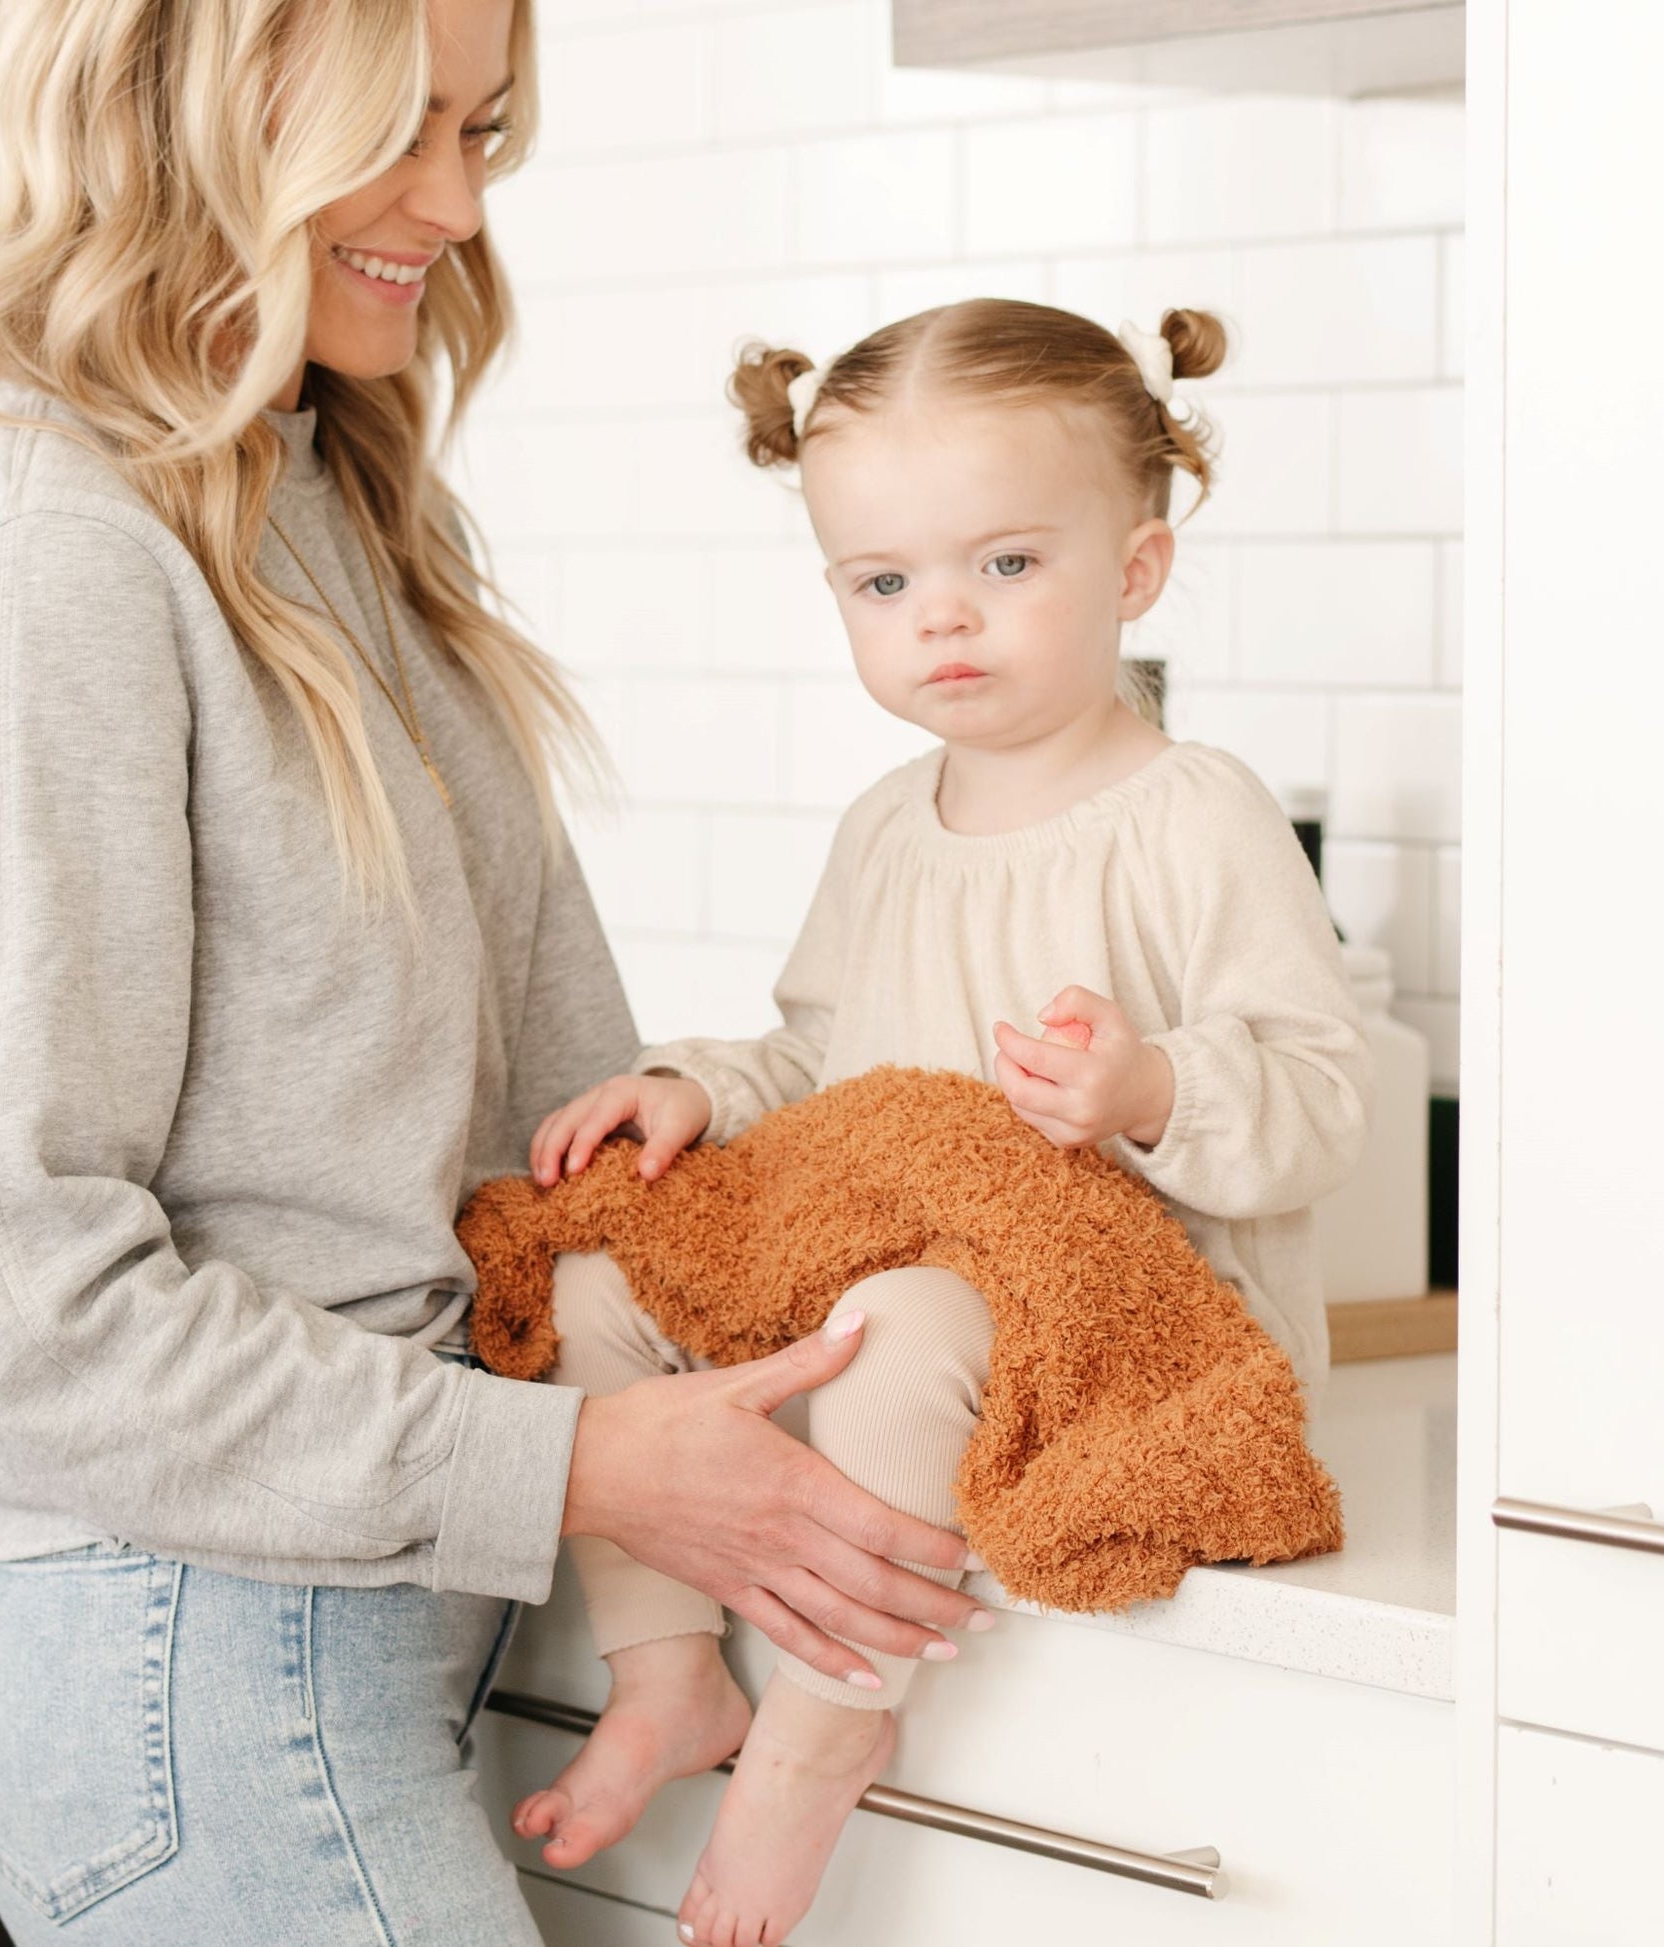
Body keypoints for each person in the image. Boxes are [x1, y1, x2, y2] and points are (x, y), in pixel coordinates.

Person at [0, 2, 988, 1940]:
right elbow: (22, 1316)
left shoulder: (313, 497)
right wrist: (586, 1454)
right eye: (392, 131)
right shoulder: (55, 565)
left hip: (331, 1658)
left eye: (479, 129)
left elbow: (523, 1117)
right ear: (171, 116)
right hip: (211, 1679)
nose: (450, 201)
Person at [511, 298, 1376, 1947]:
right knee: (602, 1279)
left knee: (890, 1321)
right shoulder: (882, 826)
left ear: (1133, 570)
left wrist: (1146, 1092)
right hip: (906, 1290)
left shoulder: (1192, 815)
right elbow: (821, 1065)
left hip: (1140, 1329)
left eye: (1004, 565)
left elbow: (1321, 1095)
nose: (941, 623)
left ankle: (824, 1726)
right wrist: (694, 1089)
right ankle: (669, 1672)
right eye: (883, 584)